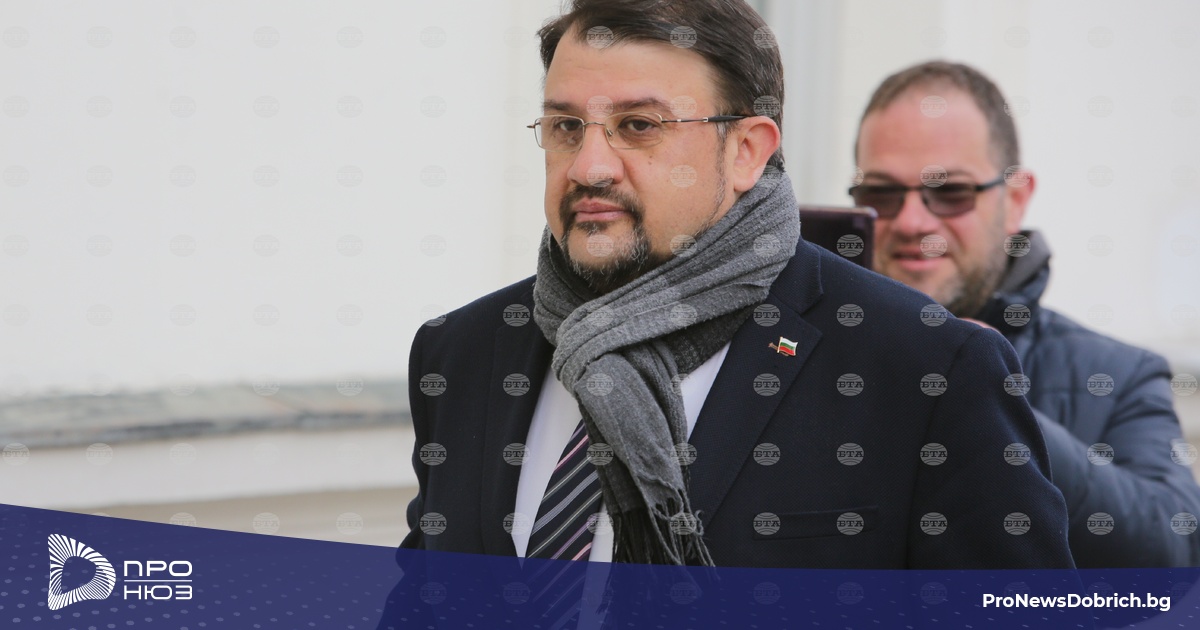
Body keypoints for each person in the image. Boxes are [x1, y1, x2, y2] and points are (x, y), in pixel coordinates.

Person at [396, 0, 1073, 571]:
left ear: (747, 150)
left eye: (639, 126)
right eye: (567, 127)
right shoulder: (462, 354)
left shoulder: (924, 368)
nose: (590, 165)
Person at [852, 60, 1200, 567]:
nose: (912, 221)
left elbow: (1173, 554)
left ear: (1015, 199)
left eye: (949, 192)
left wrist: (996, 406)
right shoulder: (802, 349)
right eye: (881, 193)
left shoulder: (1122, 376)